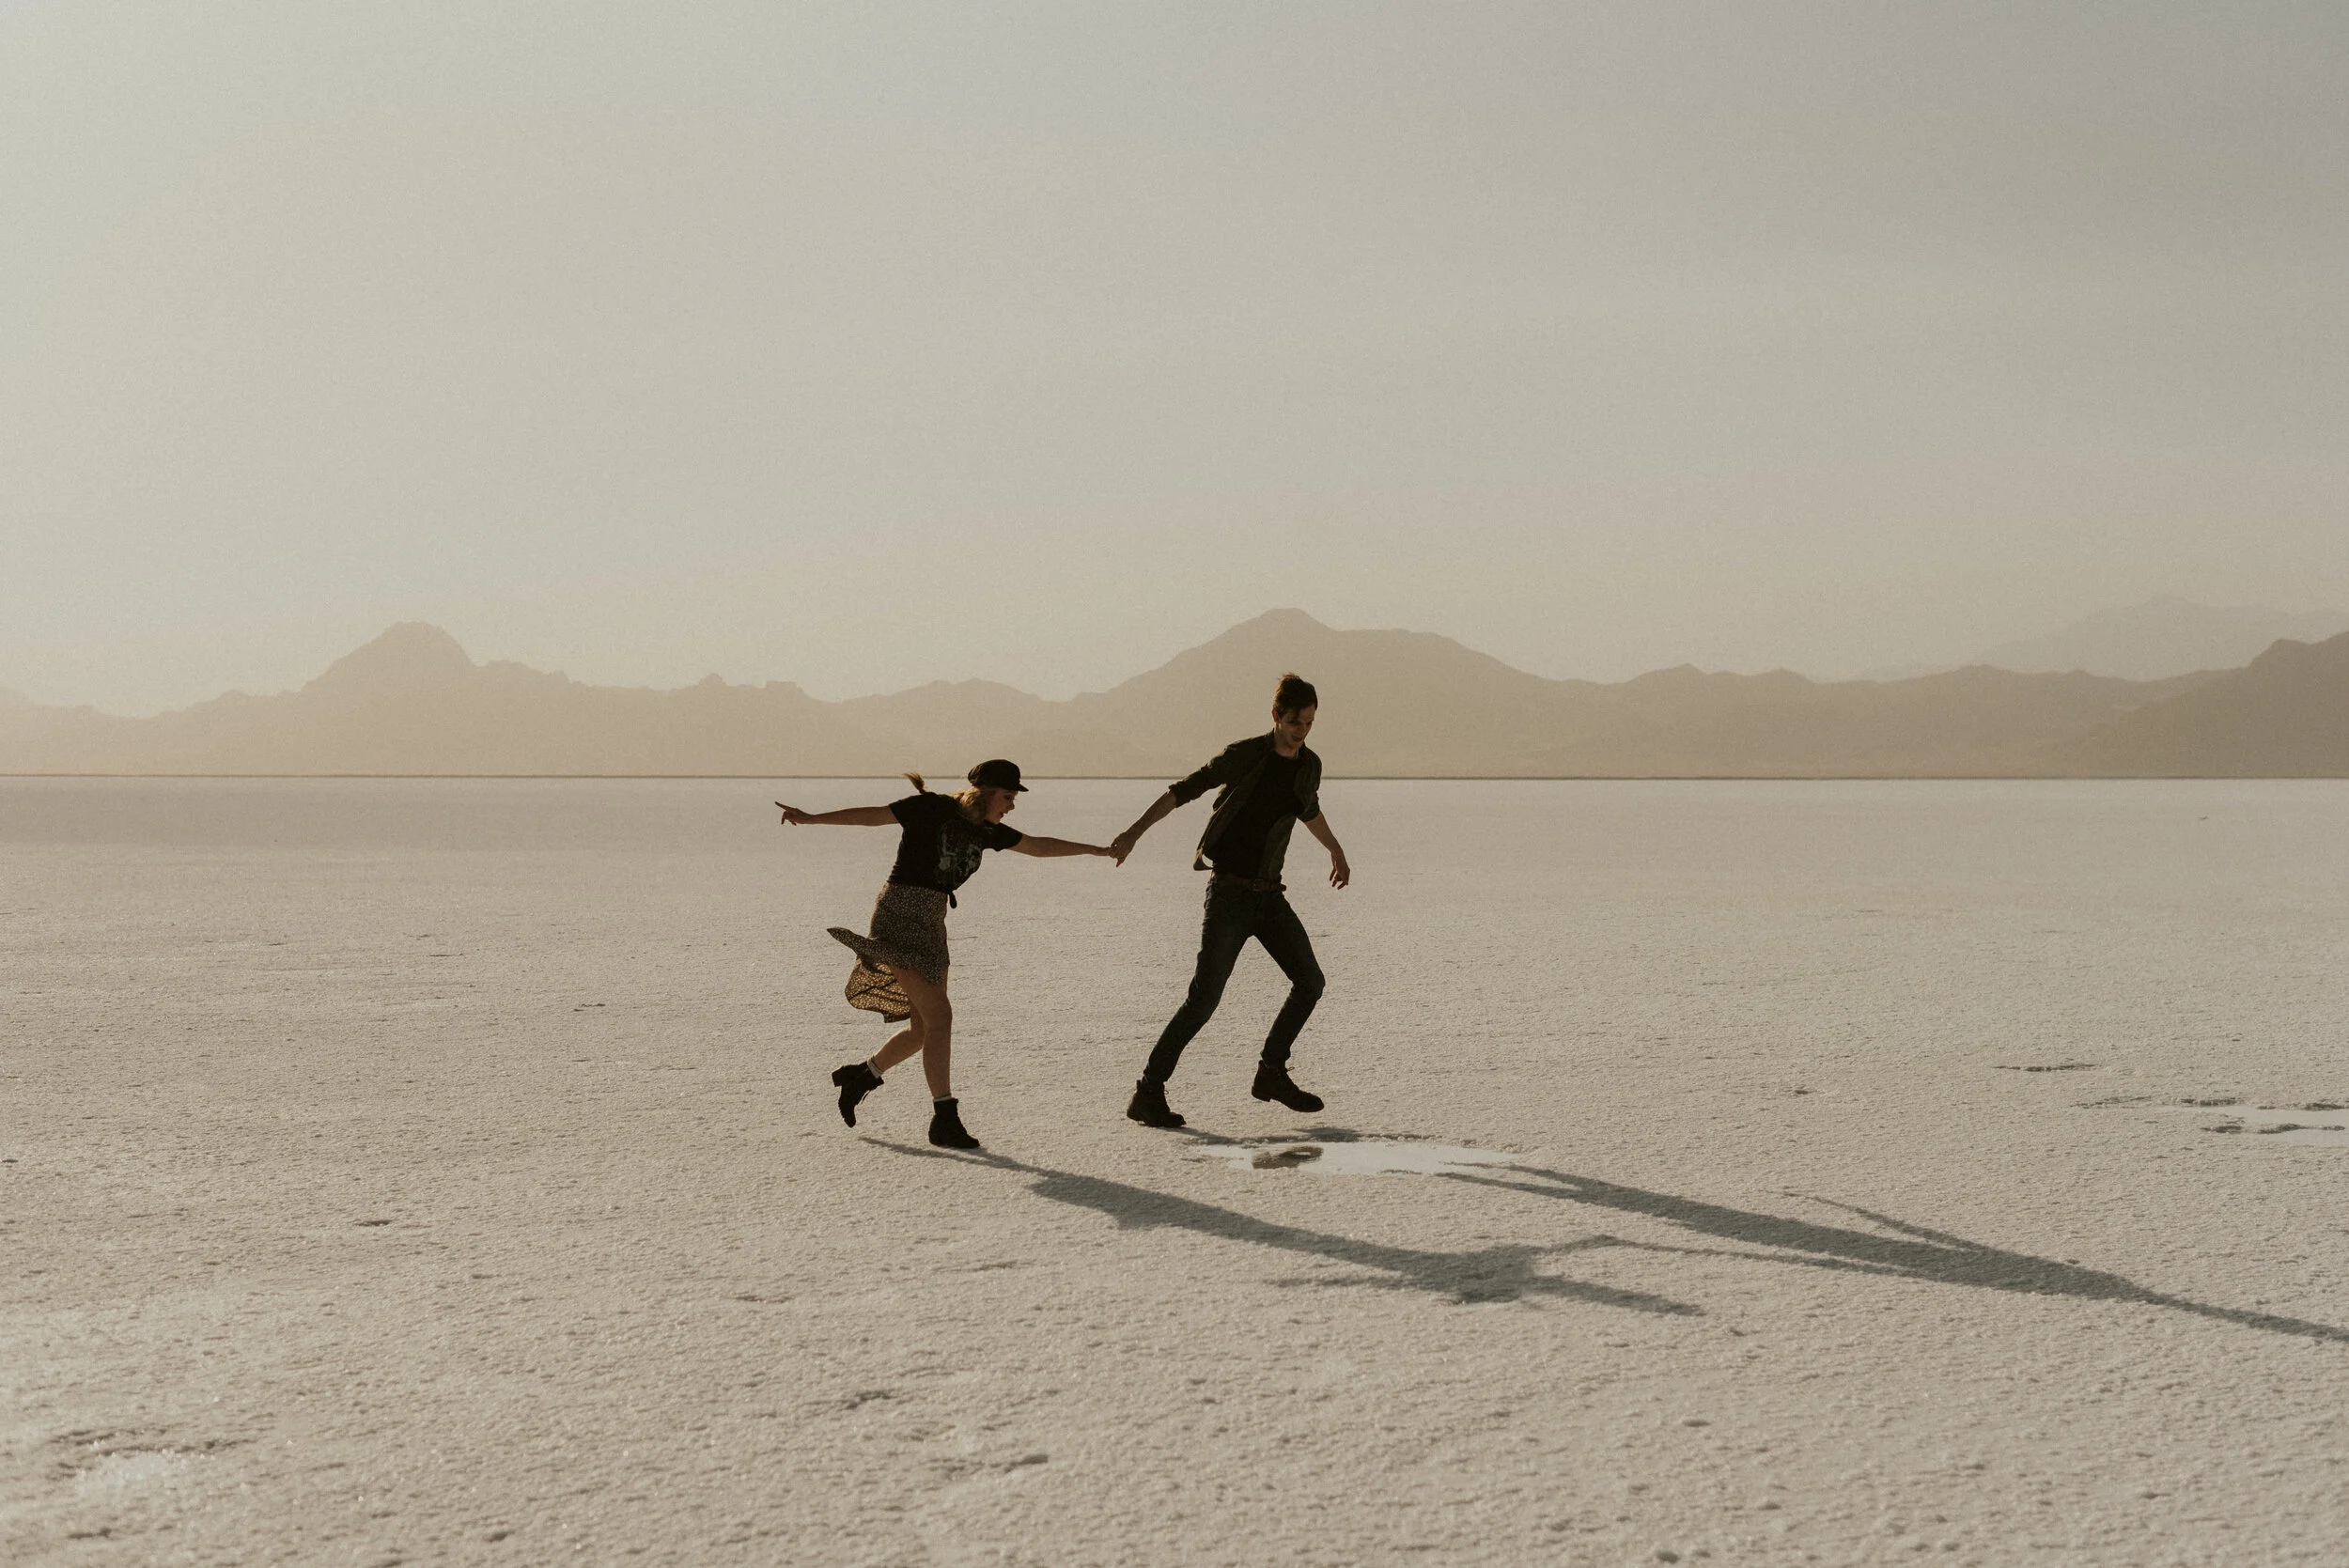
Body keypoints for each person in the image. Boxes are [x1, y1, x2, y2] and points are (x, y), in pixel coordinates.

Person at [776, 759, 1114, 1149]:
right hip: (900, 916)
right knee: (941, 1016)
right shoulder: (932, 807)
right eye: (1008, 796)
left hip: (933, 925)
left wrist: (1095, 850)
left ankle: (861, 1076)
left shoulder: (986, 830)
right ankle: (944, 1120)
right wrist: (813, 818)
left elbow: (1037, 846)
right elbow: (873, 816)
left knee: (923, 1030)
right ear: (986, 792)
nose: (1012, 805)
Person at [1110, 673, 1350, 1129]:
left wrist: (1335, 849)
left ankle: (1271, 1073)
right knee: (1204, 1000)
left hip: (1269, 896)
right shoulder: (1245, 754)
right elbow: (1183, 790)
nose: (1303, 730)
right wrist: (1134, 833)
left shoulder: (1308, 765)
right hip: (1230, 895)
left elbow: (1308, 809)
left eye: (1310, 723)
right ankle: (1148, 1092)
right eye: (1296, 721)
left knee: (1310, 983)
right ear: (1276, 716)